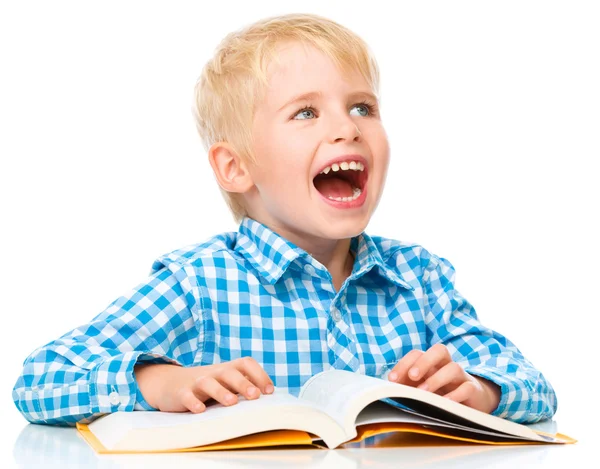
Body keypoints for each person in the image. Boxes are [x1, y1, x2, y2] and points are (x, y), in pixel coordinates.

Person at [13, 13, 557, 427]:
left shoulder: (422, 278)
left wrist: (481, 391)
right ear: (236, 167)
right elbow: (40, 379)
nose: (348, 129)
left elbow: (533, 385)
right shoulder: (198, 283)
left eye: (363, 107)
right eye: (306, 112)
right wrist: (159, 380)